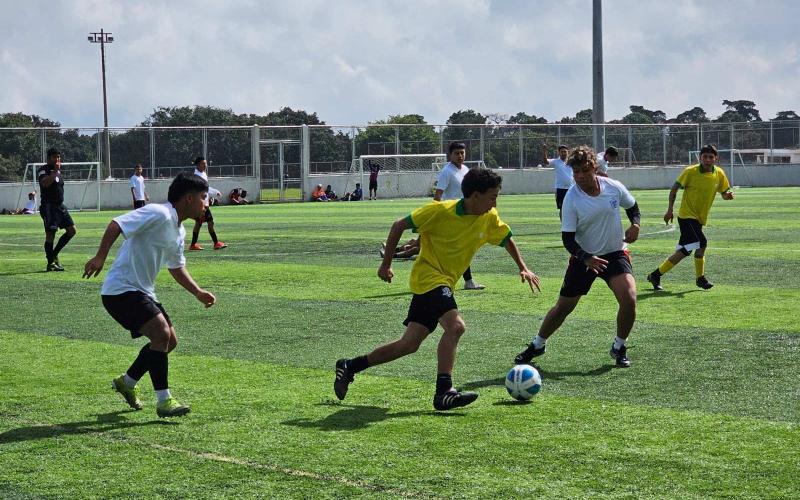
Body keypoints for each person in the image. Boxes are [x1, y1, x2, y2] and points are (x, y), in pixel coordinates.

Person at [335, 168, 541, 411]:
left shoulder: (489, 216)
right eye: (493, 196)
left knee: (409, 344)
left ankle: (349, 366)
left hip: (442, 283)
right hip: (429, 277)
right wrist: (386, 264)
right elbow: (398, 225)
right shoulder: (440, 211)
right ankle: (444, 392)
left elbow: (506, 237)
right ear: (475, 195)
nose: (495, 201)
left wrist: (523, 267)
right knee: (456, 327)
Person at [83, 172, 217, 418]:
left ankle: (128, 381)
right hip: (120, 289)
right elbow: (116, 224)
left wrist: (197, 291)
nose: (206, 203)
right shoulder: (159, 213)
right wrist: (100, 256)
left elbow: (176, 267)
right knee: (161, 333)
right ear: (188, 198)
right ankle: (164, 400)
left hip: (141, 291)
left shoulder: (179, 231)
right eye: (203, 197)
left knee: (170, 341)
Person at [515, 146, 640, 368]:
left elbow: (632, 206)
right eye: (576, 172)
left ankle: (619, 346)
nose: (580, 176)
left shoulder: (613, 187)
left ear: (594, 167)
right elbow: (568, 240)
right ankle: (538, 344)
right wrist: (586, 258)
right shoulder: (571, 198)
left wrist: (635, 224)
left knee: (629, 299)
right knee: (563, 307)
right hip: (584, 258)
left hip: (615, 253)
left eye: (584, 170)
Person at [646, 144, 734, 291]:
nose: (707, 159)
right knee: (702, 243)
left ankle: (655, 275)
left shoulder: (719, 173)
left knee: (685, 251)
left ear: (715, 158)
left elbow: (724, 193)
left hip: (699, 219)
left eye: (710, 157)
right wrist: (669, 210)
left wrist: (728, 196)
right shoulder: (690, 172)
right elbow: (674, 189)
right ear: (700, 157)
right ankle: (700, 279)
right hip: (686, 216)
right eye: (705, 156)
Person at [435, 141, 484, 290]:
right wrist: (436, 216)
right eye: (457, 153)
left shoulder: (466, 169)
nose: (460, 156)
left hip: (465, 214)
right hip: (451, 215)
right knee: (459, 248)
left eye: (462, 153)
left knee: (463, 248)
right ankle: (466, 281)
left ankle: (464, 280)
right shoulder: (446, 172)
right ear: (450, 155)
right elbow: (438, 196)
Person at [37, 148, 76, 272]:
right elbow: (45, 184)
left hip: (60, 206)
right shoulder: (43, 170)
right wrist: (55, 172)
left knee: (72, 231)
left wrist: (57, 172)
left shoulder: (58, 172)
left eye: (58, 157)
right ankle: (51, 263)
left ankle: (53, 254)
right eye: (54, 157)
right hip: (49, 207)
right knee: (50, 235)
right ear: (49, 158)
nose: (57, 159)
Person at [188, 157, 227, 251]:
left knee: (199, 223)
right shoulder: (197, 176)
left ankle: (193, 245)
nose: (205, 165)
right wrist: (215, 192)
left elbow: (206, 187)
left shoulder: (203, 174)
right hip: (200, 204)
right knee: (210, 222)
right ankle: (216, 243)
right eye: (203, 164)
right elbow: (203, 188)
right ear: (197, 165)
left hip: (202, 203)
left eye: (205, 163)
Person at [543, 144, 574, 219]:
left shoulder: (571, 162)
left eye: (565, 151)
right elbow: (546, 162)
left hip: (571, 188)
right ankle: (564, 226)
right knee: (562, 209)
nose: (563, 153)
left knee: (572, 208)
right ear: (559, 153)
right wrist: (544, 151)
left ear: (568, 152)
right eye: (561, 152)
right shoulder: (556, 161)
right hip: (560, 189)